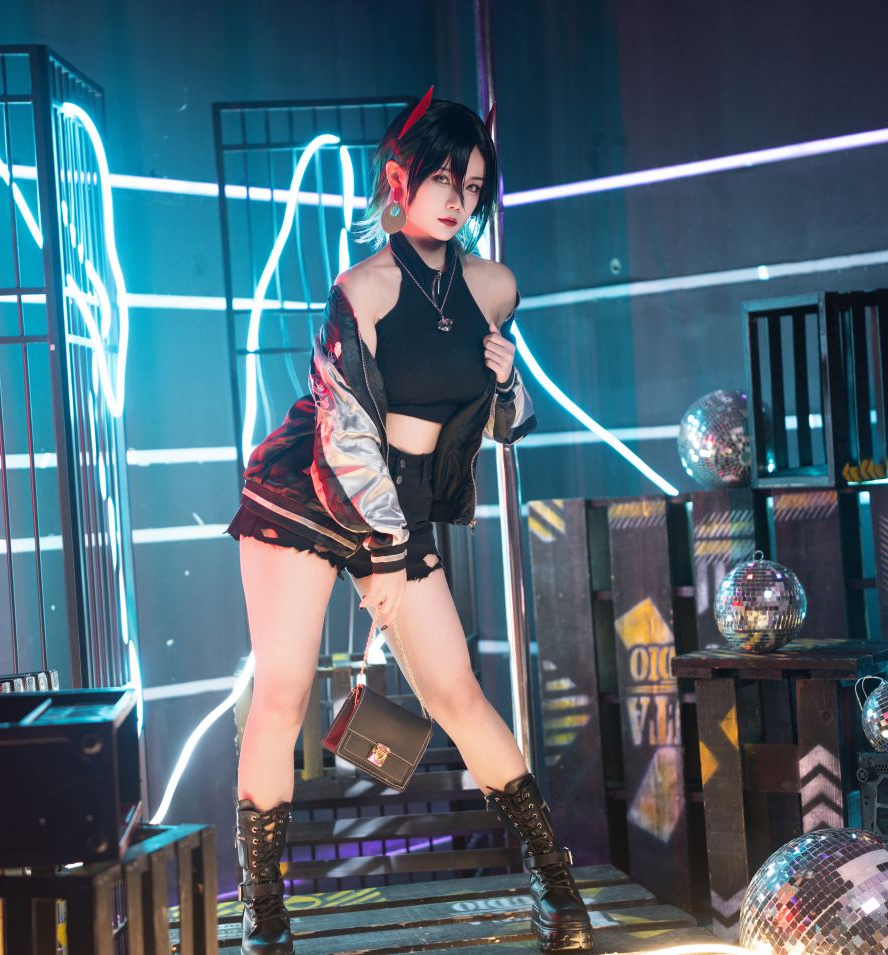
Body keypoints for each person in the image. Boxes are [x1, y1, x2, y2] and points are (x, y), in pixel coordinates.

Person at [224, 91, 593, 954]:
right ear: (399, 180)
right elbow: (346, 435)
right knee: (282, 692)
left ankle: (558, 890)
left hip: (405, 505)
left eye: (473, 185)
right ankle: (264, 916)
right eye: (442, 180)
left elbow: (498, 425)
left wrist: (507, 384)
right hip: (309, 496)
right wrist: (387, 552)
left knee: (457, 691)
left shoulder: (494, 287)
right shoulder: (363, 288)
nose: (459, 200)